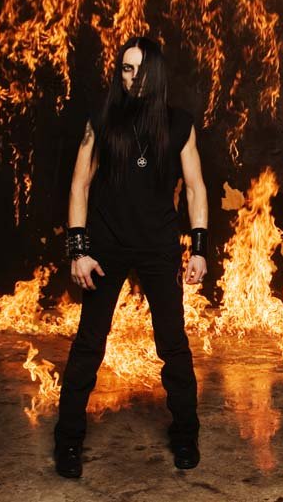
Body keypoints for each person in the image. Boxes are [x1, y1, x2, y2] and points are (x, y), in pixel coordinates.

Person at [54, 36, 208, 478]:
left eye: (140, 69)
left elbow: (195, 187)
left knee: (173, 345)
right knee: (89, 345)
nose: (133, 77)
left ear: (155, 73)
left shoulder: (180, 123)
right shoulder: (101, 119)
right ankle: (67, 442)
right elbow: (80, 184)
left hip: (160, 247)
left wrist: (199, 248)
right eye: (126, 68)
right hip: (107, 246)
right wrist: (78, 250)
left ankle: (185, 435)